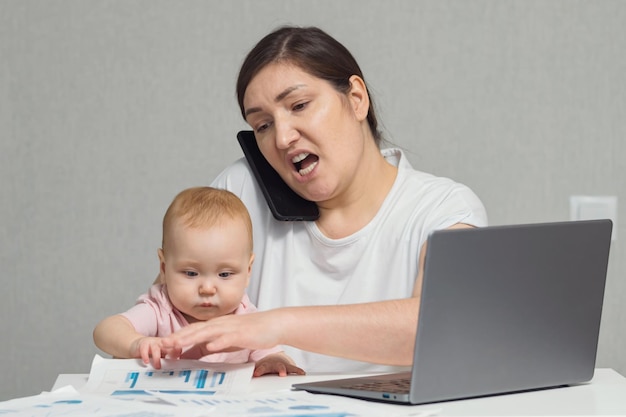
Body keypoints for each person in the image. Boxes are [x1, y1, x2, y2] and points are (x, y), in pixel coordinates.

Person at [161, 26, 488, 373]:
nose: (283, 138)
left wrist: (276, 325)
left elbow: (436, 326)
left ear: (357, 99)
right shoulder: (239, 192)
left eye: (299, 105)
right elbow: (166, 313)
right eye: (263, 126)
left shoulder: (443, 208)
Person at [93, 186, 305, 377]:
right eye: (191, 273)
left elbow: (275, 356)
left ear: (248, 271)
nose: (207, 288)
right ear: (164, 268)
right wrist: (136, 344)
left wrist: (274, 362)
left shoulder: (245, 319)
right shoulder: (160, 309)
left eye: (224, 275)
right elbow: (106, 330)